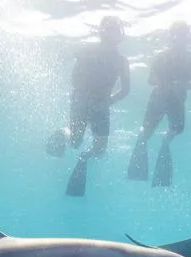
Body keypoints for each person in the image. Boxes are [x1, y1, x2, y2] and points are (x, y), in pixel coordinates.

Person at [47, 16, 132, 196]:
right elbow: (75, 78)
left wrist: (106, 101)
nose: (112, 34)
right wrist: (86, 97)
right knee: (75, 141)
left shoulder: (121, 60)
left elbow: (125, 90)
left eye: (115, 30)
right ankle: (63, 132)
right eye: (109, 30)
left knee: (99, 149)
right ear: (102, 32)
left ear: (120, 34)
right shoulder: (88, 51)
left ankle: (83, 156)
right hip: (83, 101)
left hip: (100, 105)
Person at [127, 21, 191, 187]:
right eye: (176, 36)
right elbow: (150, 79)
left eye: (182, 36)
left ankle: (164, 141)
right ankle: (144, 140)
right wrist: (166, 83)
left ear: (188, 38)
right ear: (170, 38)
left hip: (177, 101)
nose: (178, 40)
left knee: (176, 130)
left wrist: (185, 85)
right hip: (158, 99)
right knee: (146, 133)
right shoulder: (161, 57)